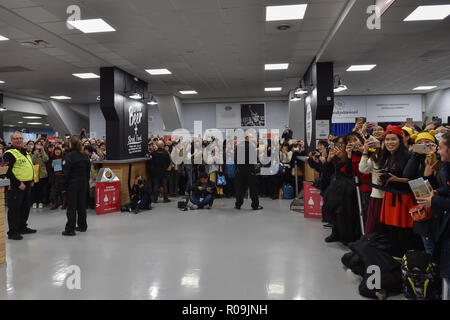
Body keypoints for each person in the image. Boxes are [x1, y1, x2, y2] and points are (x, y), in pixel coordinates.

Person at [377, 125, 423, 256]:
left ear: (400, 140)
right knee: (391, 233)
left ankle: (407, 261)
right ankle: (395, 260)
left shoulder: (408, 157)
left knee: (404, 235)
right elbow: (385, 181)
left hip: (404, 200)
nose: (389, 143)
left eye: (393, 139)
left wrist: (397, 179)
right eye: (387, 139)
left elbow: (415, 180)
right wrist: (382, 180)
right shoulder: (385, 157)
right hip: (390, 198)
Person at [417, 132, 450, 294]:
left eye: (441, 147)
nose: (438, 151)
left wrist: (435, 200)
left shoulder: (444, 167)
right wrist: (438, 191)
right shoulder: (445, 166)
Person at [3, 131, 36, 240]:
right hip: (17, 186)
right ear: (12, 141)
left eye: (20, 138)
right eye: (16, 139)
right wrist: (18, 183)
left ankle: (22, 227)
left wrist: (31, 179)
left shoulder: (24, 152)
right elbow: (7, 171)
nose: (19, 140)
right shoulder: (9, 153)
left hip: (27, 184)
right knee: (15, 209)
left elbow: (28, 166)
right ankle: (13, 231)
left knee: (25, 207)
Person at [61, 136, 90, 236]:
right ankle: (82, 226)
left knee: (72, 207)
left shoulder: (68, 156)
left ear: (70, 144)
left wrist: (63, 188)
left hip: (72, 184)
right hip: (83, 183)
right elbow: (88, 171)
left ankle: (70, 229)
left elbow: (66, 174)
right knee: (82, 206)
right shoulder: (85, 156)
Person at [234, 134, 263, 210]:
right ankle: (255, 205)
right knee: (253, 188)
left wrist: (237, 168)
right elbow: (254, 160)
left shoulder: (238, 147)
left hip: (240, 170)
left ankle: (238, 204)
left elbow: (235, 159)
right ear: (248, 138)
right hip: (250, 170)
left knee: (240, 189)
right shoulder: (251, 147)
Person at [31, 140, 49, 209]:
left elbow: (46, 159)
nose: (38, 146)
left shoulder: (43, 153)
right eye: (37, 144)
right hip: (35, 173)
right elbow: (32, 161)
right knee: (34, 188)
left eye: (40, 144)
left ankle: (40, 201)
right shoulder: (32, 153)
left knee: (41, 189)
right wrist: (35, 154)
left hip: (42, 173)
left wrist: (42, 150)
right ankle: (34, 202)